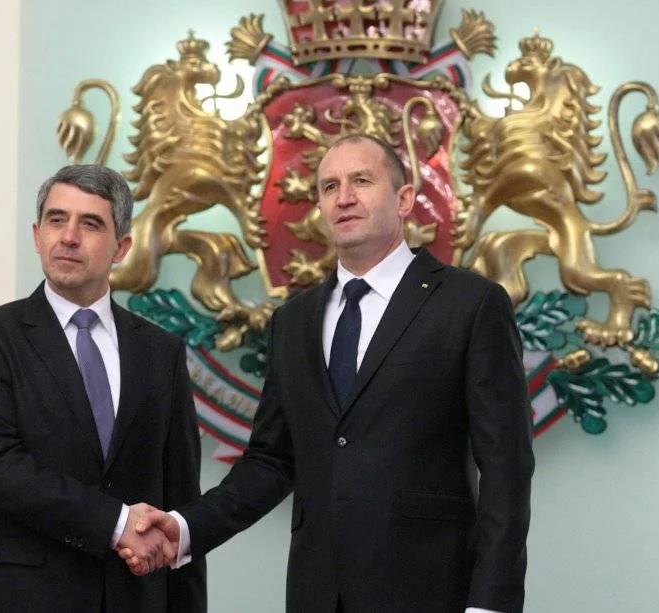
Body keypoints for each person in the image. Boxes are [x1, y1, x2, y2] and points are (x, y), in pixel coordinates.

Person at [124, 134, 535, 612]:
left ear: (404, 199)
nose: (344, 197)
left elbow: (506, 465)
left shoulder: (470, 304)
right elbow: (271, 461)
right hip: (317, 592)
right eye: (329, 186)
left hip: (432, 590)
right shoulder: (294, 320)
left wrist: (491, 603)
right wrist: (186, 528)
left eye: (362, 181)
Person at [0, 164, 206, 612]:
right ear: (37, 236)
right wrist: (117, 522)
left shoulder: (161, 352)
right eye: (56, 220)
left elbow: (179, 499)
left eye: (90, 224)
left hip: (132, 597)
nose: (68, 237)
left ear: (121, 247)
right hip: (17, 597)